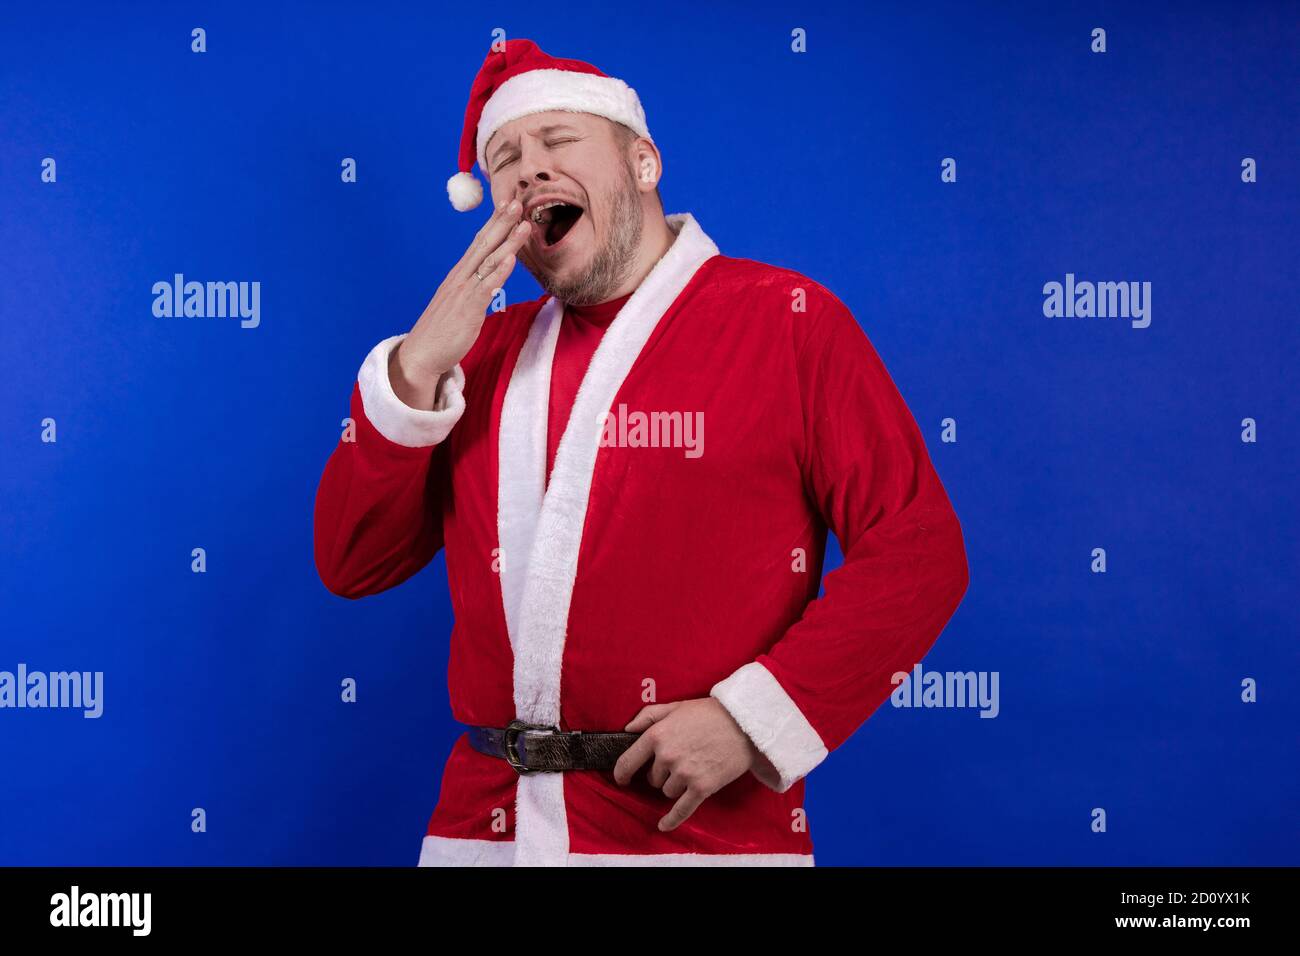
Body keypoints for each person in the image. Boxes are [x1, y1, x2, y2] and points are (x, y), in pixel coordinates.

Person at [312, 38, 970, 866]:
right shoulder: (475, 358)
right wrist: (415, 368)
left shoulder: (789, 321)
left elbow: (920, 551)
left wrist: (752, 718)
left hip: (696, 840)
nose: (528, 172)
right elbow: (350, 560)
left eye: (557, 141)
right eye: (506, 159)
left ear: (643, 161)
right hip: (484, 834)